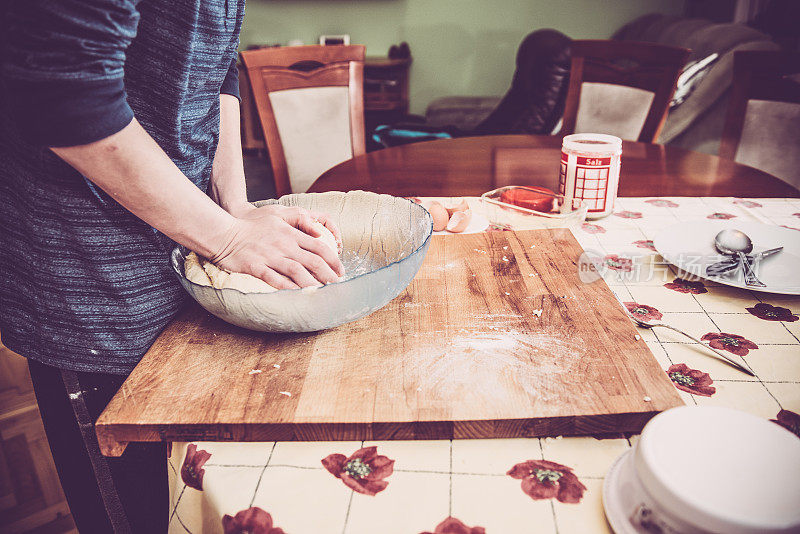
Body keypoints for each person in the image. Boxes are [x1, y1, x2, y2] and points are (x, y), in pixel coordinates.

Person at [0, 1, 344, 531]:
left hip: (192, 238)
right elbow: (62, 93)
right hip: (96, 281)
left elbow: (217, 65)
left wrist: (235, 208)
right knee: (140, 515)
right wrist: (227, 238)